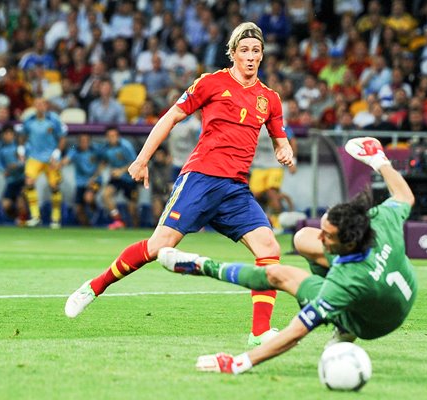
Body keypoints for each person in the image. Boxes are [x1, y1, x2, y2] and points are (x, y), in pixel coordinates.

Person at [65, 22, 294, 346]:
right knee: (158, 247)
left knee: (269, 248)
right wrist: (142, 159)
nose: (251, 56)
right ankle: (95, 286)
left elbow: (280, 138)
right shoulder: (211, 83)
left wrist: (284, 149)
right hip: (200, 179)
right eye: (244, 50)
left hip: (235, 190)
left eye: (256, 50)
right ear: (232, 53)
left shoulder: (269, 98)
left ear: (262, 55)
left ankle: (259, 333)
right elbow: (170, 117)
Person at [157, 136, 417, 374]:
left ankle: (202, 265)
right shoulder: (380, 220)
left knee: (277, 274)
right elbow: (405, 196)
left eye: (328, 236)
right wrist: (378, 160)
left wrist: (239, 363)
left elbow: (294, 333)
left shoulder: (345, 283)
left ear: (348, 243)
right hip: (399, 289)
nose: (322, 237)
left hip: (372, 323)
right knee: (303, 239)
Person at [20, 97, 68, 228]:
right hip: (34, 156)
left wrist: (57, 152)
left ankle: (56, 218)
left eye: (42, 104)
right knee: (29, 182)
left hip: (50, 158)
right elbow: (22, 135)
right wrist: (21, 149)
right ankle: (35, 216)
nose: (40, 106)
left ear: (46, 106)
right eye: (37, 104)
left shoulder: (54, 119)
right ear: (34, 106)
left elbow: (63, 137)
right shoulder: (29, 120)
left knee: (54, 186)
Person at [99, 126, 139, 229]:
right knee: (106, 195)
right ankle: (118, 220)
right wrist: (95, 175)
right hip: (116, 178)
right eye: (109, 136)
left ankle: (136, 229)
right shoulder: (105, 148)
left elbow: (134, 162)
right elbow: (104, 161)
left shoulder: (126, 146)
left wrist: (121, 171)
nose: (112, 138)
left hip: (130, 178)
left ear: (118, 136)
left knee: (132, 209)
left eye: (114, 135)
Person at [61, 134, 102, 226]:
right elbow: (66, 160)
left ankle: (96, 211)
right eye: (82, 140)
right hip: (81, 182)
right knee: (78, 209)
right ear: (79, 141)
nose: (84, 143)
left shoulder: (96, 149)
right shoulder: (74, 149)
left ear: (89, 141)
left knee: (88, 197)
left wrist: (95, 176)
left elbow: (104, 161)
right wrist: (59, 164)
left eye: (86, 140)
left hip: (95, 180)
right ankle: (87, 226)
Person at [0, 125, 27, 224]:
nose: (8, 136)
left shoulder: (19, 145)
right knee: (5, 205)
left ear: (13, 135)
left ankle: (23, 222)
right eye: (6, 134)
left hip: (22, 179)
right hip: (10, 181)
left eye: (10, 133)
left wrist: (16, 166)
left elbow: (25, 162)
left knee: (21, 204)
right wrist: (3, 170)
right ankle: (16, 219)